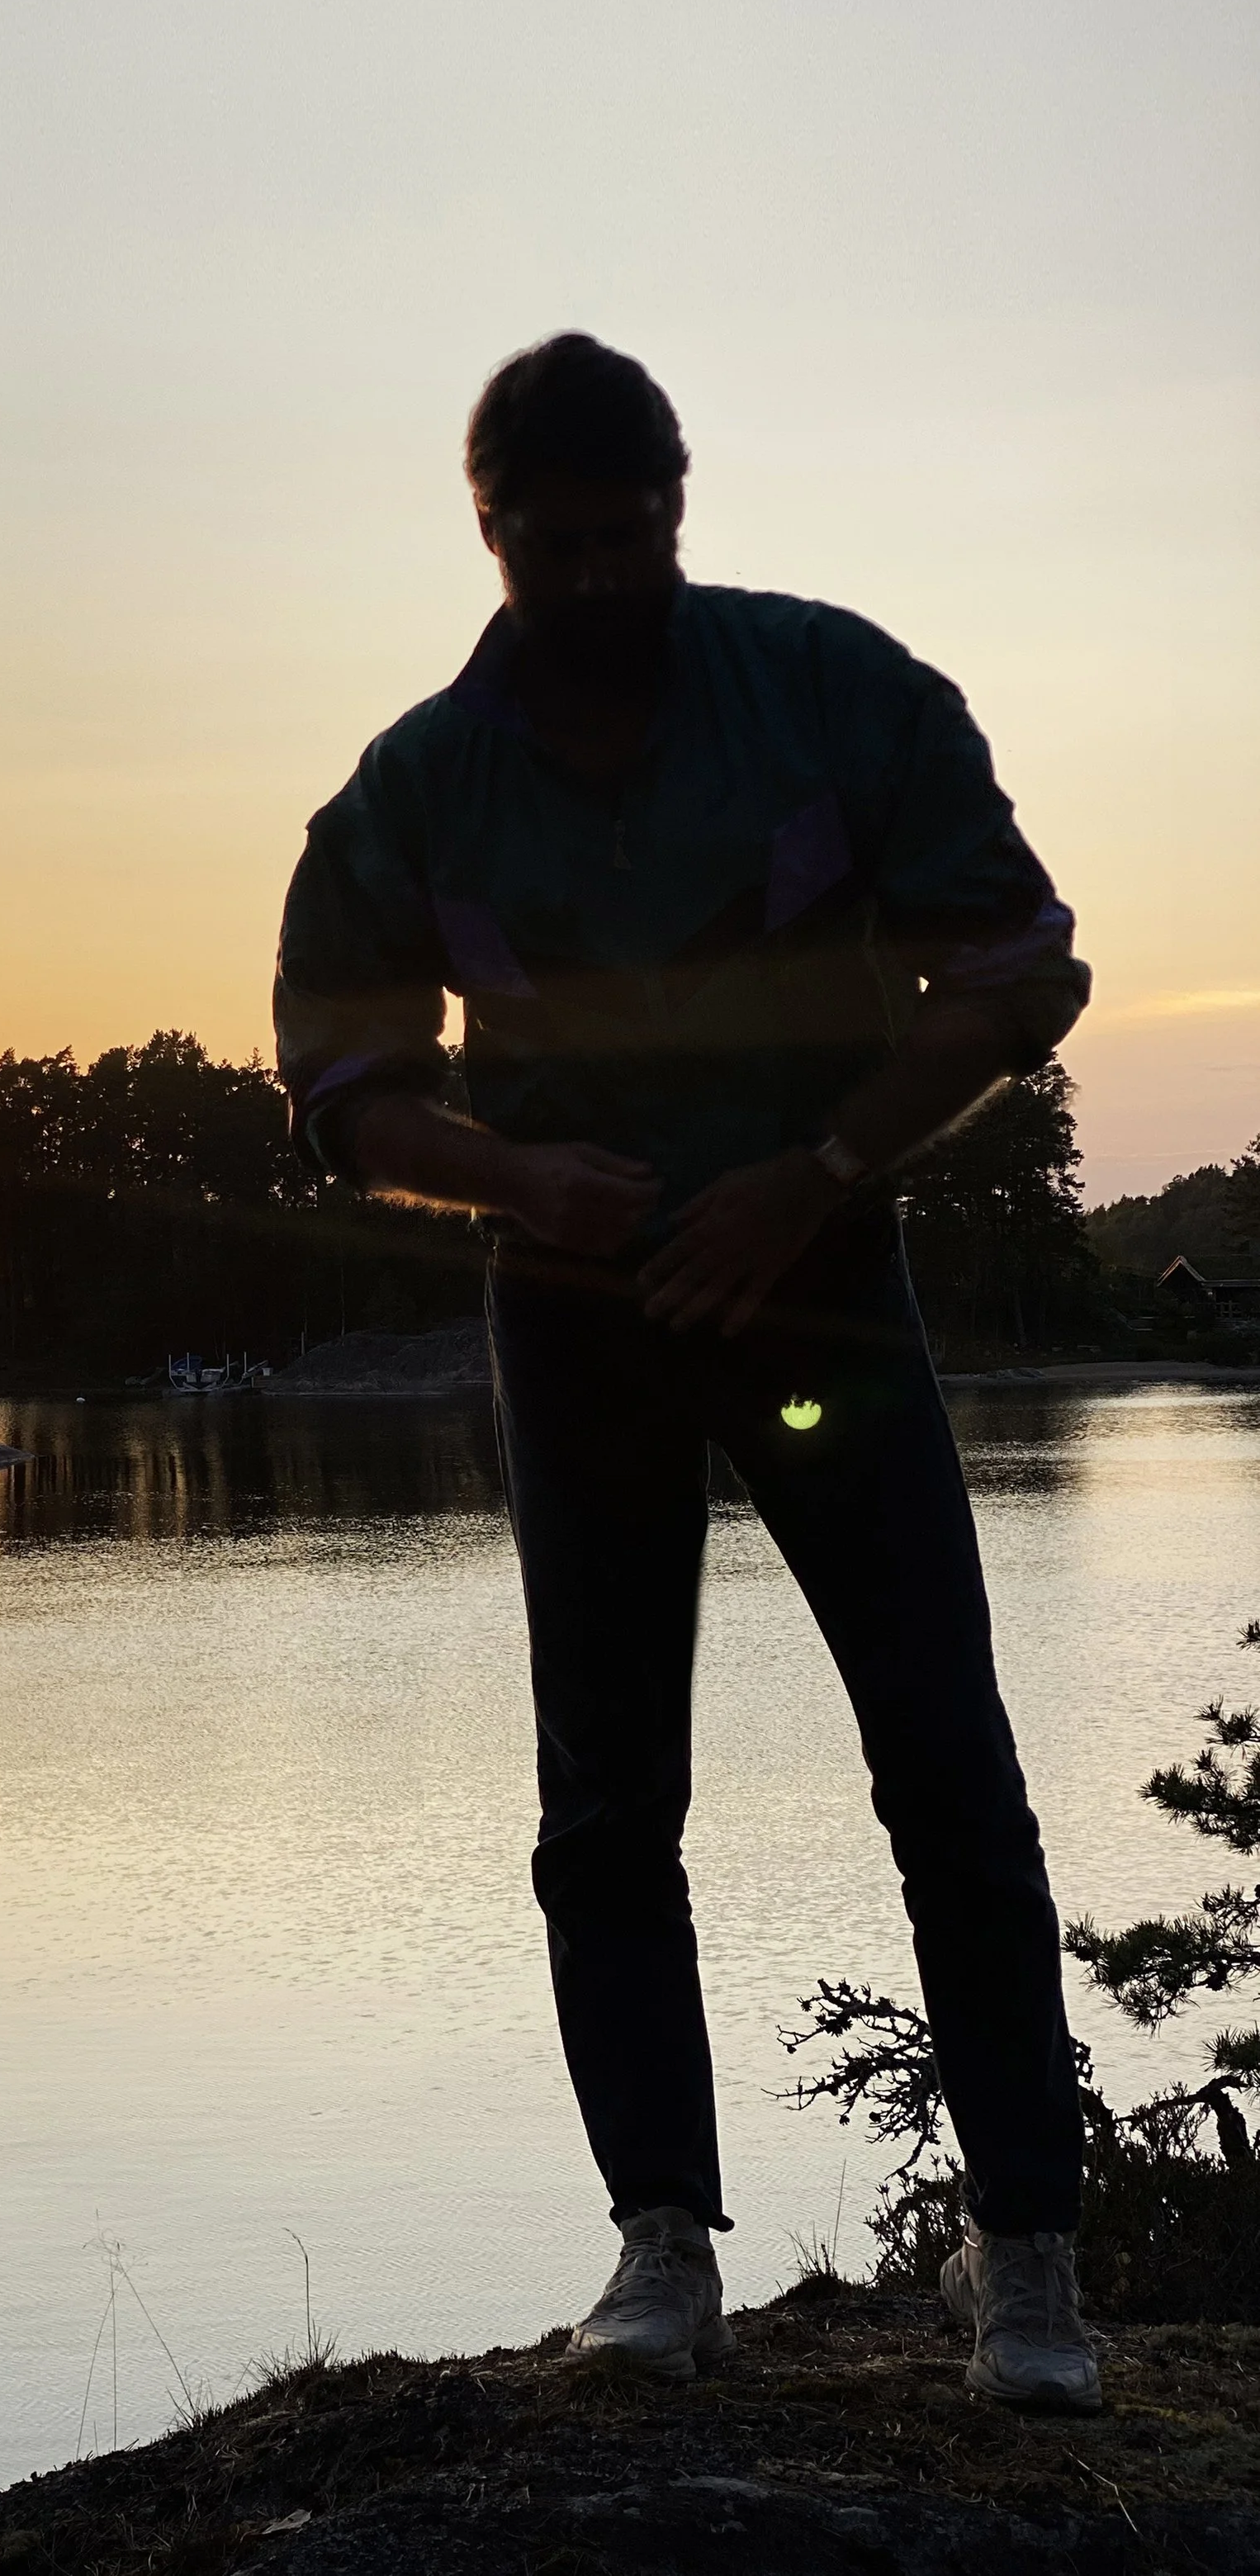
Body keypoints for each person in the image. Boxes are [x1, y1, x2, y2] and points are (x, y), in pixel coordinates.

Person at [272, 332, 1098, 2412]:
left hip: (817, 1286)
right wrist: (509, 1175)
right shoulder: (405, 790)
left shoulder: (837, 689)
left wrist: (815, 1173)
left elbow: (1014, 975)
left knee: (948, 1771)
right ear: (489, 533)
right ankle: (659, 2245)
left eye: (621, 535)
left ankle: (1027, 2267)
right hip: (576, 1323)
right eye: (546, 544)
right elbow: (344, 1087)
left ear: (675, 504)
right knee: (602, 1804)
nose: (585, 576)